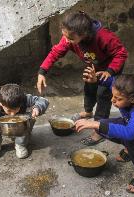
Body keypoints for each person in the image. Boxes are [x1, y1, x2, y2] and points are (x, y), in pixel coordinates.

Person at [36, 11, 128, 146]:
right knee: (89, 87)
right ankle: (88, 111)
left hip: (110, 68)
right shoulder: (69, 36)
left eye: (70, 38)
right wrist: (42, 71)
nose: (66, 40)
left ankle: (99, 130)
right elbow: (56, 52)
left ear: (84, 34)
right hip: (94, 66)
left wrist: (110, 71)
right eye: (64, 35)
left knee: (103, 95)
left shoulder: (104, 37)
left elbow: (121, 53)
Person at [75, 66, 134, 193]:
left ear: (132, 99)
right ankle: (130, 149)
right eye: (113, 96)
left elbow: (130, 133)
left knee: (130, 136)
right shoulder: (122, 89)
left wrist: (94, 124)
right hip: (133, 123)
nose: (112, 100)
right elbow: (109, 81)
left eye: (118, 99)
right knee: (103, 125)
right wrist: (95, 79)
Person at [0, 83, 49, 159]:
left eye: (16, 109)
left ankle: (20, 144)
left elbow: (43, 100)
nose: (12, 114)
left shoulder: (23, 98)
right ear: (0, 103)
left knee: (31, 118)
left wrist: (37, 107)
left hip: (20, 126)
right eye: (9, 110)